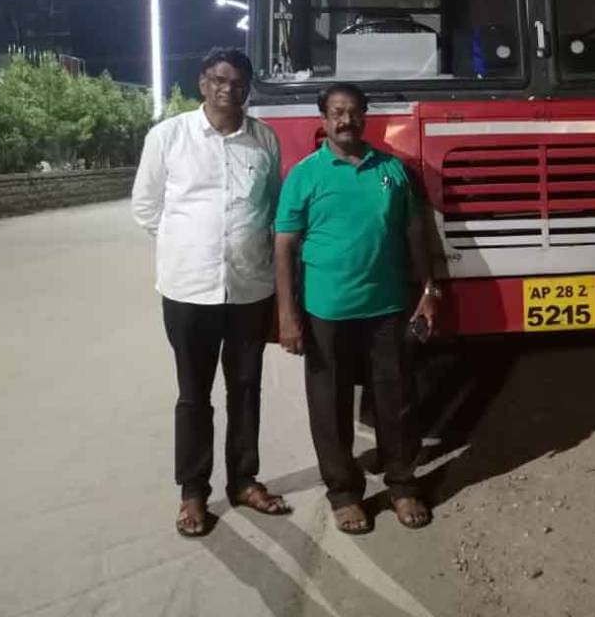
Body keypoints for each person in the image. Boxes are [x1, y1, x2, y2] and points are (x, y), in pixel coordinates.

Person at [132, 47, 290, 537]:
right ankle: (193, 492)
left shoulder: (264, 140)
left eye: (238, 83)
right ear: (203, 83)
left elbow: (272, 207)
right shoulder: (168, 136)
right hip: (188, 291)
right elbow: (146, 207)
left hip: (249, 289)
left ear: (248, 89)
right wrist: (189, 245)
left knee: (245, 389)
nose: (228, 89)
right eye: (219, 80)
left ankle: (244, 480)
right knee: (194, 394)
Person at [273, 82, 438, 534]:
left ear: (366, 117)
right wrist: (287, 315)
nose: (346, 120)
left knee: (397, 400)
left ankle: (402, 485)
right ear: (323, 119)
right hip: (326, 312)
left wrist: (429, 289)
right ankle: (345, 494)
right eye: (337, 112)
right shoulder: (305, 175)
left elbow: (414, 234)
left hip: (388, 307)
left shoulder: (392, 170)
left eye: (354, 112)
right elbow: (284, 245)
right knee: (329, 406)